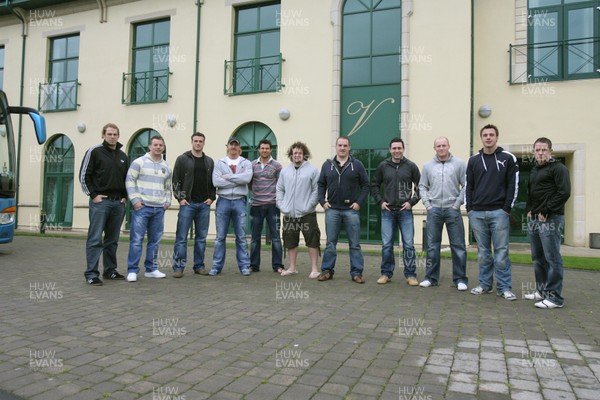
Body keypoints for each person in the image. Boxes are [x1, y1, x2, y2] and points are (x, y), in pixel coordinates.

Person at [466, 124, 519, 300]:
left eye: (491, 135)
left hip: (499, 213)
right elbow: (469, 185)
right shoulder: (473, 160)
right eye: (485, 135)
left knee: (502, 252)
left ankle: (504, 288)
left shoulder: (508, 158)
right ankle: (484, 285)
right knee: (483, 252)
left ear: (497, 137)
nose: (488, 137)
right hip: (477, 213)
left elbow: (513, 185)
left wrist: (506, 208)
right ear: (481, 138)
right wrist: (470, 208)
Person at [79, 123, 128, 286]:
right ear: (103, 135)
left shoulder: (123, 156)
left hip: (118, 204)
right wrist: (93, 195)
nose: (112, 137)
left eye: (115, 134)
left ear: (118, 136)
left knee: (112, 240)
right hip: (101, 203)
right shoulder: (94, 151)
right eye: (109, 134)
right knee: (95, 239)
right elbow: (84, 175)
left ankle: (110, 271)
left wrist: (125, 197)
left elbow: (127, 179)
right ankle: (92, 273)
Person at [525, 137, 570, 309]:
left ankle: (555, 298)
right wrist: (530, 209)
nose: (541, 152)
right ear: (533, 152)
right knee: (538, 258)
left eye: (544, 149)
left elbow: (564, 192)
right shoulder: (535, 170)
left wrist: (546, 210)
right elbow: (531, 192)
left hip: (550, 219)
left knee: (552, 258)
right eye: (538, 150)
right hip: (535, 219)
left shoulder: (559, 168)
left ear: (551, 151)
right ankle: (542, 291)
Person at [418, 137, 468, 290]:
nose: (441, 148)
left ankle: (460, 279)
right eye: (438, 146)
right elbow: (422, 186)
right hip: (434, 211)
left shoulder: (459, 164)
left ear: (449, 146)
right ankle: (431, 278)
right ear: (434, 148)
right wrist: (427, 205)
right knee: (432, 246)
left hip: (452, 210)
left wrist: (457, 204)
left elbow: (466, 185)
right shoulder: (427, 166)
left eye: (443, 145)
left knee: (458, 245)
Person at [317, 136, 369, 283]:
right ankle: (327, 271)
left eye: (345, 145)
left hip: (351, 210)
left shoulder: (357, 164)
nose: (342, 148)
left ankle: (356, 273)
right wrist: (322, 202)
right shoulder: (327, 165)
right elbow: (321, 184)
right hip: (332, 209)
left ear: (349, 147)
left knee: (354, 244)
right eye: (340, 145)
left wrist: (359, 202)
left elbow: (366, 185)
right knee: (330, 243)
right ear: (336, 146)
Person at [371, 137, 421, 285]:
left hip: (405, 211)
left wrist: (411, 202)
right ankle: (386, 274)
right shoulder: (383, 166)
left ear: (403, 149)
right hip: (388, 211)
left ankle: (411, 275)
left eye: (399, 148)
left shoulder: (411, 166)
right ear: (390, 150)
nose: (397, 151)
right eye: (394, 148)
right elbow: (374, 185)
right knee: (387, 245)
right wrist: (380, 202)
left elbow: (421, 187)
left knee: (408, 245)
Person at [125, 136, 172, 282]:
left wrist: (167, 202)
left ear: (163, 148)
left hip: (159, 209)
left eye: (161, 145)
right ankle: (132, 270)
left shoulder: (166, 166)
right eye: (155, 145)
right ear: (149, 147)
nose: (158, 147)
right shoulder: (139, 162)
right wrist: (135, 200)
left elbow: (168, 187)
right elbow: (129, 180)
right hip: (142, 208)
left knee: (154, 241)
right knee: (137, 240)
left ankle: (151, 269)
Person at [171, 132, 216, 278]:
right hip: (187, 204)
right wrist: (180, 199)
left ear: (204, 143)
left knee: (201, 238)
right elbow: (176, 180)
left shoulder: (209, 161)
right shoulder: (183, 159)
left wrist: (211, 198)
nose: (198, 143)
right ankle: (178, 267)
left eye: (200, 141)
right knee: (181, 237)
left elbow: (213, 183)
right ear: (191, 142)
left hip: (204, 205)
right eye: (195, 141)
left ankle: (199, 266)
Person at [276, 142, 321, 278]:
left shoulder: (312, 170)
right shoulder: (285, 171)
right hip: (290, 213)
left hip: (307, 213)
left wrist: (309, 206)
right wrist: (282, 206)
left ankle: (314, 269)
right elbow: (279, 189)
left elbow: (316, 190)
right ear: (291, 155)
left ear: (304, 155)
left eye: (300, 153)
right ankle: (292, 268)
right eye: (295, 153)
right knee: (290, 241)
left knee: (312, 240)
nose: (297, 155)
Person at [210, 137, 253, 276]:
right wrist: (237, 180)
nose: (233, 147)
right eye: (231, 145)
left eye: (236, 145)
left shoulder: (246, 163)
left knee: (241, 236)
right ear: (227, 146)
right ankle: (216, 267)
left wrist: (227, 177)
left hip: (240, 201)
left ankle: (244, 266)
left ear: (239, 148)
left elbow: (246, 179)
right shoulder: (219, 163)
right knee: (220, 237)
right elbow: (216, 181)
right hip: (223, 201)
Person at [249, 139, 284, 273]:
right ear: (259, 149)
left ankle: (278, 265)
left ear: (270, 150)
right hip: (256, 205)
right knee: (255, 237)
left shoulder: (277, 166)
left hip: (272, 206)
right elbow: (249, 184)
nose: (264, 150)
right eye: (262, 148)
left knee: (275, 237)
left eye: (267, 148)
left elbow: (281, 185)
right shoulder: (252, 165)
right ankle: (254, 265)